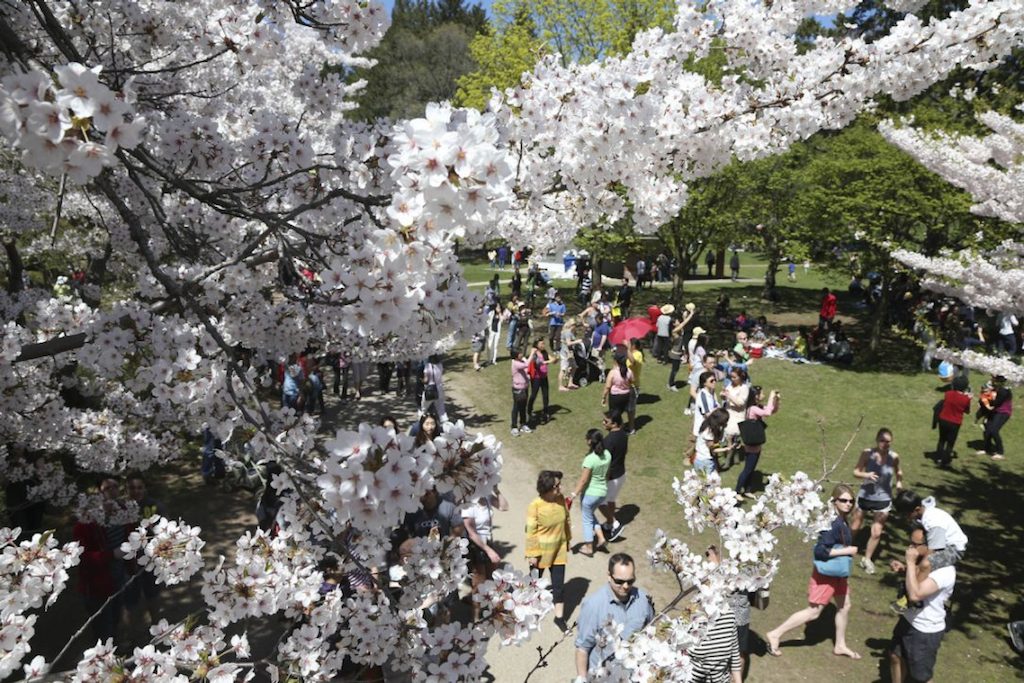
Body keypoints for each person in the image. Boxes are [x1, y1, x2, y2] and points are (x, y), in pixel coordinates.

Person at [766, 484, 861, 660]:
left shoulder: (841, 519)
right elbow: (820, 551)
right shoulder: (832, 523)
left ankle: (840, 645)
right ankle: (775, 634)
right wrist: (847, 551)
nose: (848, 504)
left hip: (839, 573)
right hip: (827, 574)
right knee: (814, 611)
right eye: (844, 500)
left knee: (845, 605)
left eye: (851, 501)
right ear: (834, 501)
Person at [889, 525, 956, 683]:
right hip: (908, 620)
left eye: (915, 545)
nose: (910, 548)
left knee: (921, 677)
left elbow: (915, 594)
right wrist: (906, 569)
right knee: (895, 656)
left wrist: (910, 563)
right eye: (910, 542)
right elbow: (916, 578)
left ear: (930, 546)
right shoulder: (924, 562)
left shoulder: (945, 572)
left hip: (925, 630)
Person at [574, 553, 654, 680]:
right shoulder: (593, 605)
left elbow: (650, 630)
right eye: (619, 581)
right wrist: (582, 678)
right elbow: (583, 649)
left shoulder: (643, 600)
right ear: (609, 576)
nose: (626, 586)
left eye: (630, 581)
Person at [849, 428, 903, 575]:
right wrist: (866, 474)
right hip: (866, 495)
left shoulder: (894, 457)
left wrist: (899, 483)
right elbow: (856, 471)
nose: (885, 444)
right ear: (877, 440)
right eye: (882, 440)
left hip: (883, 499)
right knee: (855, 526)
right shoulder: (867, 453)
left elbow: (898, 470)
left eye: (888, 441)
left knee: (877, 532)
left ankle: (867, 559)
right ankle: (845, 548)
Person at [526, 470, 572, 631]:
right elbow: (531, 531)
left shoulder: (560, 500)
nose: (560, 488)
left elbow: (566, 520)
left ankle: (559, 618)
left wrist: (568, 540)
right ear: (547, 488)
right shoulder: (535, 505)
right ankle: (530, 612)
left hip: (559, 550)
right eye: (556, 486)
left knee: (558, 586)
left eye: (559, 484)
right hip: (539, 553)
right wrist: (532, 554)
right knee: (534, 585)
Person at [893, 491, 968, 571]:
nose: (905, 517)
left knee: (926, 565)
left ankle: (915, 579)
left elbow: (932, 551)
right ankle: (910, 573)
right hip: (938, 544)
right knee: (914, 551)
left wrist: (919, 566)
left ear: (917, 509)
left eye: (906, 514)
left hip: (953, 549)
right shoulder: (922, 512)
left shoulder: (932, 521)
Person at [463, 487, 508, 617]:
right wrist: (489, 551)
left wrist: (497, 490)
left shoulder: (486, 497)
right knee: (479, 583)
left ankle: (490, 610)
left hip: (488, 541)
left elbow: (504, 507)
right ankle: (476, 617)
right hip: (476, 545)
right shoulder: (468, 505)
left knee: (491, 578)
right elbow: (471, 533)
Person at [567, 429, 611, 557]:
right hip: (602, 492)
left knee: (586, 520)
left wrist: (574, 494)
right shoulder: (607, 454)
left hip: (590, 494)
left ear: (590, 441)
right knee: (590, 515)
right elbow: (607, 473)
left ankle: (588, 547)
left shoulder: (590, 459)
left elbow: (583, 480)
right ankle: (601, 538)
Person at [735, 386, 780, 498]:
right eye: (761, 394)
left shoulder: (757, 407)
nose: (763, 395)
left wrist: (776, 401)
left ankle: (747, 490)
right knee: (747, 469)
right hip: (752, 446)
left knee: (751, 469)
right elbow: (767, 413)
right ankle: (736, 491)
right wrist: (771, 397)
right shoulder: (753, 409)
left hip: (756, 446)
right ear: (756, 396)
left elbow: (772, 410)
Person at [598, 411, 628, 542]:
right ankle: (609, 524)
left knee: (599, 501)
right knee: (610, 500)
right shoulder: (623, 434)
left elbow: (605, 462)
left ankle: (615, 524)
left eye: (606, 421)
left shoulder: (608, 441)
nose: (603, 423)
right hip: (621, 474)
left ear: (614, 423)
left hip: (611, 477)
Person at [934, 375, 971, 467]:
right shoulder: (966, 399)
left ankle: (938, 458)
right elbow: (967, 411)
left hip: (943, 419)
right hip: (955, 422)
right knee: (950, 443)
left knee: (942, 439)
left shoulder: (948, 394)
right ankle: (945, 461)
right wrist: (968, 397)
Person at [976, 374, 1012, 461]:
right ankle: (986, 448)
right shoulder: (995, 388)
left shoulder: (1004, 391)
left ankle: (1000, 452)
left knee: (994, 430)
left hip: (1003, 412)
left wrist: (987, 399)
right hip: (994, 411)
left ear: (1000, 382)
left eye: (995, 380)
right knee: (987, 429)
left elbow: (995, 403)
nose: (993, 381)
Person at [602, 351, 635, 431]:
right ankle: (631, 428)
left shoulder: (613, 372)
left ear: (616, 361)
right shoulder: (629, 371)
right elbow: (633, 380)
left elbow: (607, 387)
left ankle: (618, 428)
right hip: (626, 395)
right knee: (628, 412)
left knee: (615, 414)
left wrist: (603, 397)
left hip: (615, 397)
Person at [666, 303, 696, 390]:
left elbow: (684, 323)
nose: (678, 322)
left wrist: (685, 316)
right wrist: (691, 314)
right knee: (674, 370)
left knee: (676, 369)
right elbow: (684, 323)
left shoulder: (679, 330)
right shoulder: (674, 331)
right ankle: (671, 384)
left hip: (678, 353)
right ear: (674, 324)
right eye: (676, 321)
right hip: (675, 354)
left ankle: (671, 383)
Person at [694, 407, 729, 474]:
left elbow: (719, 440)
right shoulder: (708, 433)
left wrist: (723, 428)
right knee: (707, 482)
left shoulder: (708, 424)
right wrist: (727, 449)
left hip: (700, 458)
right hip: (705, 461)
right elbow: (713, 449)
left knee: (701, 480)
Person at [526, 339, 552, 426]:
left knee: (545, 395)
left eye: (544, 343)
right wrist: (548, 361)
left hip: (544, 377)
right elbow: (537, 363)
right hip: (536, 378)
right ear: (536, 345)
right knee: (534, 394)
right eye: (541, 344)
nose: (543, 345)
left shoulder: (544, 352)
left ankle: (545, 412)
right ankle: (529, 410)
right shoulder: (534, 353)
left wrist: (555, 359)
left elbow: (551, 358)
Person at [510, 349, 532, 436]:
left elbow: (526, 369)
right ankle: (514, 427)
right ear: (516, 355)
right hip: (518, 389)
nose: (522, 354)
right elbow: (527, 365)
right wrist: (532, 353)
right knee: (516, 407)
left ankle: (523, 424)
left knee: (523, 407)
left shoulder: (521, 361)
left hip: (525, 387)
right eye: (520, 353)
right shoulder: (515, 363)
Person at [625, 338, 644, 434]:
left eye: (629, 344)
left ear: (633, 346)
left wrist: (627, 349)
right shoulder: (628, 353)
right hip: (625, 384)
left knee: (630, 408)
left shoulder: (638, 354)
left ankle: (631, 428)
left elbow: (633, 362)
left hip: (633, 386)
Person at [421, 354, 447, 422]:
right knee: (441, 408)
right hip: (439, 387)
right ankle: (445, 423)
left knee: (424, 408)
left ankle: (422, 422)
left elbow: (426, 380)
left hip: (430, 388)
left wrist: (421, 380)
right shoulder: (440, 365)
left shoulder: (428, 366)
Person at [559, 322, 583, 391]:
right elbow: (569, 343)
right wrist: (577, 341)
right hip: (565, 353)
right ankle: (560, 386)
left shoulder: (570, 332)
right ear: (572, 326)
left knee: (574, 367)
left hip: (569, 353)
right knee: (563, 369)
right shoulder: (568, 332)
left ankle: (570, 383)